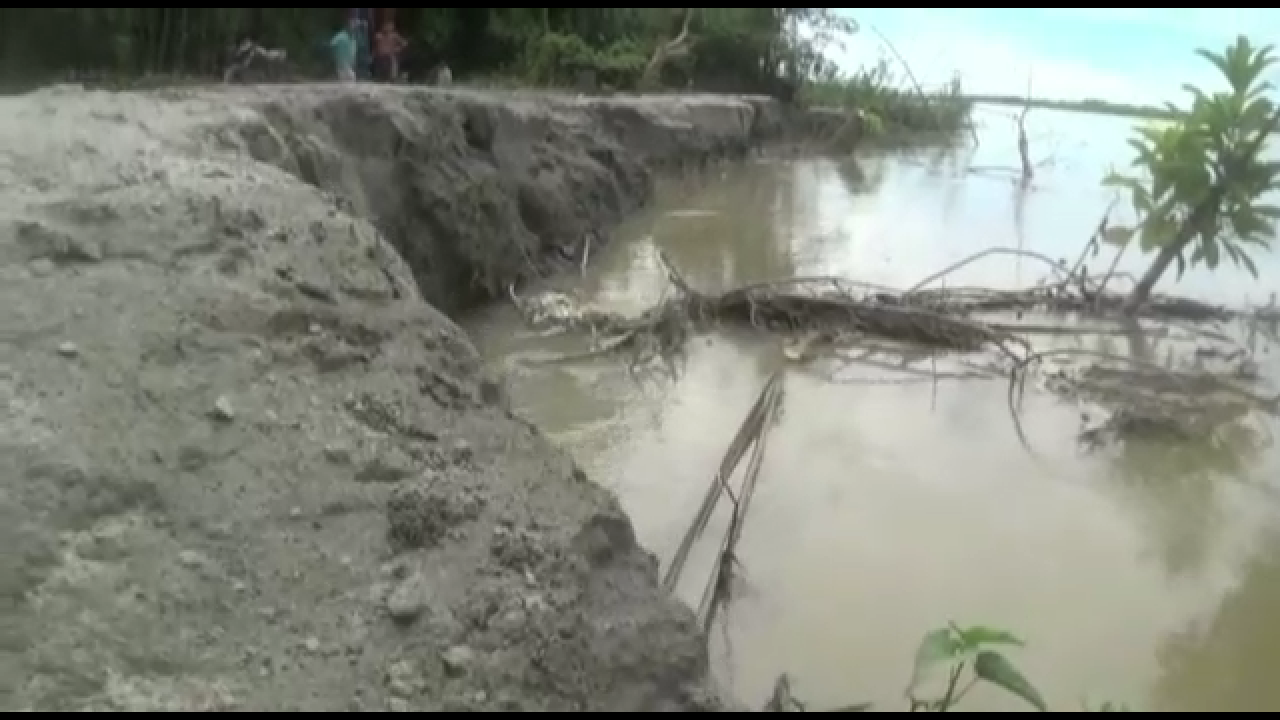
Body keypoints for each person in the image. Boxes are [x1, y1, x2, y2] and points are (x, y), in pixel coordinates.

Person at [329, 17, 359, 82]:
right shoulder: (341, 36)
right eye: (352, 25)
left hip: (349, 65)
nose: (354, 27)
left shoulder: (353, 38)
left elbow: (353, 51)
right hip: (342, 64)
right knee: (351, 78)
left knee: (349, 80)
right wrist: (337, 57)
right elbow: (332, 45)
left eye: (355, 25)